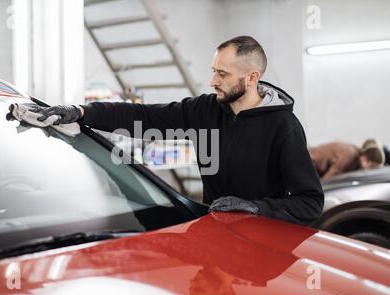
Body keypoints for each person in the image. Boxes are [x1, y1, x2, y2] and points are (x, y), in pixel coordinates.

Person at [21, 35, 324, 226]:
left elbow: (310, 202)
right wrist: (80, 112)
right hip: (217, 231)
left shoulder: (283, 126)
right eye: (213, 70)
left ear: (252, 77)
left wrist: (256, 208)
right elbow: (144, 117)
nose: (212, 81)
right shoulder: (205, 109)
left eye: (222, 74)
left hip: (263, 244)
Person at [309, 138, 385, 181]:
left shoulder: (354, 153)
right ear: (365, 159)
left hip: (313, 165)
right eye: (372, 167)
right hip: (310, 163)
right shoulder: (350, 155)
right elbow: (331, 175)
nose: (369, 171)